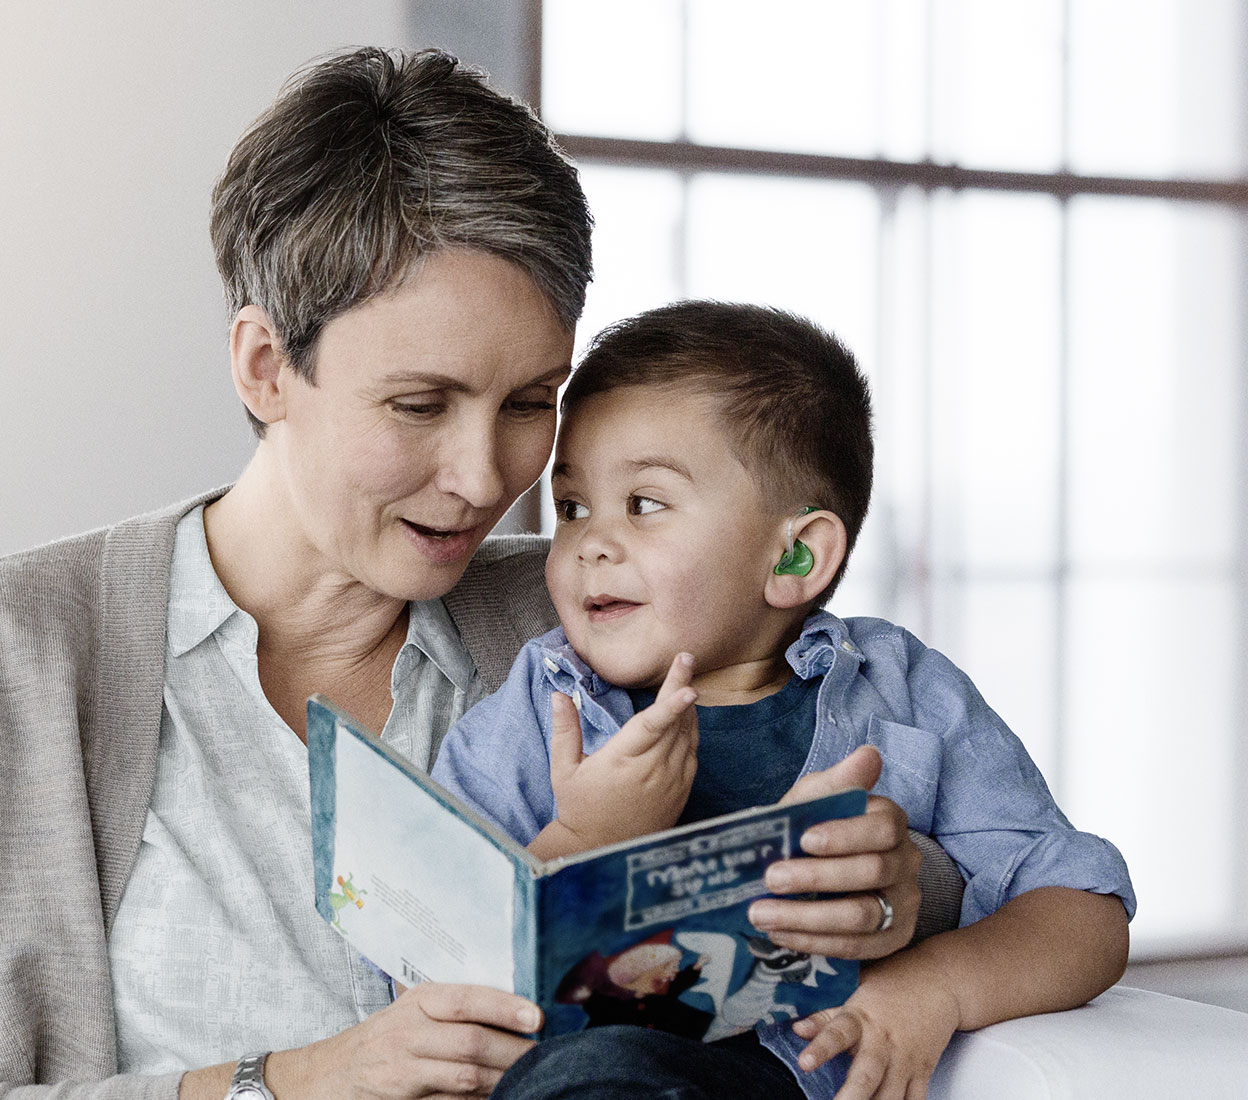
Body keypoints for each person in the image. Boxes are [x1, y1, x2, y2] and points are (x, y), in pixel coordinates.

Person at [0, 50, 937, 1100]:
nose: (485, 474)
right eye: (419, 404)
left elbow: (937, 810)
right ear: (265, 363)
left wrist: (898, 889)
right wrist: (281, 1083)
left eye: (531, 402)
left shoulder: (605, 615)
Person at [431, 301, 1136, 1100]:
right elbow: (435, 961)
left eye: (646, 503)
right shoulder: (545, 702)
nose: (589, 541)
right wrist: (584, 836)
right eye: (571, 507)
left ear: (797, 555)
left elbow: (1083, 908)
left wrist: (939, 984)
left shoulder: (901, 690)